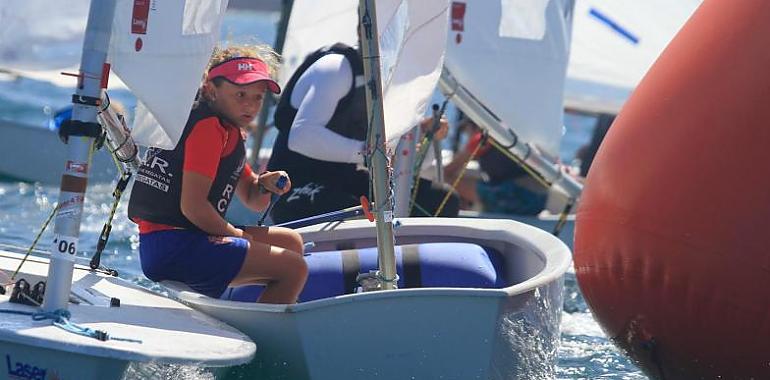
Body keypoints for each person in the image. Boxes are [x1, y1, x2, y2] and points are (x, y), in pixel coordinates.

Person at [127, 44, 308, 304]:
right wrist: (235, 235)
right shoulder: (208, 129)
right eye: (241, 94)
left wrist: (264, 184)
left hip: (181, 239)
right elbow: (193, 207)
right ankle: (266, 330)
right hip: (171, 245)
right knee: (294, 268)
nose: (251, 105)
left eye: (258, 97)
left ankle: (256, 309)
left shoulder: (227, 130)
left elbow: (252, 199)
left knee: (291, 242)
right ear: (212, 91)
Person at [266, 42, 459, 224]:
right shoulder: (336, 69)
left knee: (441, 198)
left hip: (345, 180)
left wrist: (424, 136)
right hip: (293, 186)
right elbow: (301, 137)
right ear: (362, 29)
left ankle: (411, 257)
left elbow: (405, 163)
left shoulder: (396, 83)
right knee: (353, 211)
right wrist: (368, 153)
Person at [444, 116, 548, 215]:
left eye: (467, 133)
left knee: (447, 180)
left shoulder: (482, 138)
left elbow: (448, 171)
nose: (467, 137)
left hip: (519, 197)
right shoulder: (507, 132)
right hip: (540, 201)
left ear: (474, 127)